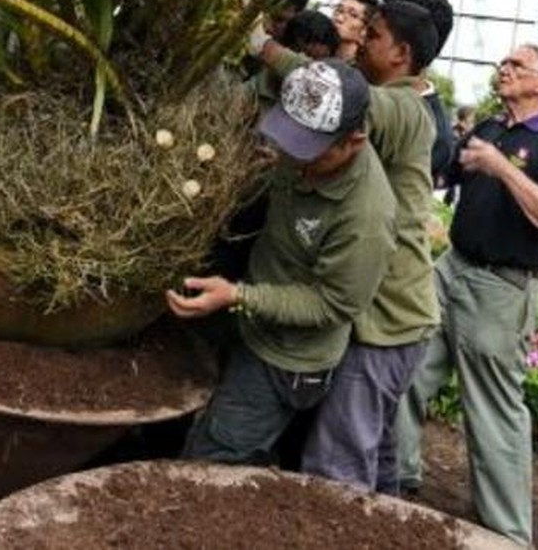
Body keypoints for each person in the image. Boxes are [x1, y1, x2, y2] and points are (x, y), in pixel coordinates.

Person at [250, 0, 440, 494]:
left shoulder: (400, 108)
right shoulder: (406, 104)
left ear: (401, 53)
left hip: (385, 321)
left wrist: (263, 46)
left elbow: (325, 90)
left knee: (336, 462)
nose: (357, 41)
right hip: (402, 319)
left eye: (372, 35)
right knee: (374, 452)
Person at [166, 60, 397, 465]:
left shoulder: (366, 218)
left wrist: (238, 296)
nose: (291, 154)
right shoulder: (306, 155)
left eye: (306, 148)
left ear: (354, 142)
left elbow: (333, 304)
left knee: (215, 459)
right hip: (250, 317)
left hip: (285, 358)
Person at [396, 43, 538, 547]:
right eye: (504, 63)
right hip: (450, 269)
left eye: (517, 65)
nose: (505, 69)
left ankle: (507, 534)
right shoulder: (490, 128)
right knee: (406, 366)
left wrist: (502, 168)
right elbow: (441, 171)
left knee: (493, 412)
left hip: (500, 290)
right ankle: (397, 479)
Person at [387, 0, 456, 186]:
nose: (364, 41)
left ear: (403, 49)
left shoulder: (435, 134)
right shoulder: (366, 87)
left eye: (376, 34)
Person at [330, 0, 378, 64]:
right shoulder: (315, 56)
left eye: (353, 15)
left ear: (365, 30)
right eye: (339, 10)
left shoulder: (362, 72)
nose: (339, 18)